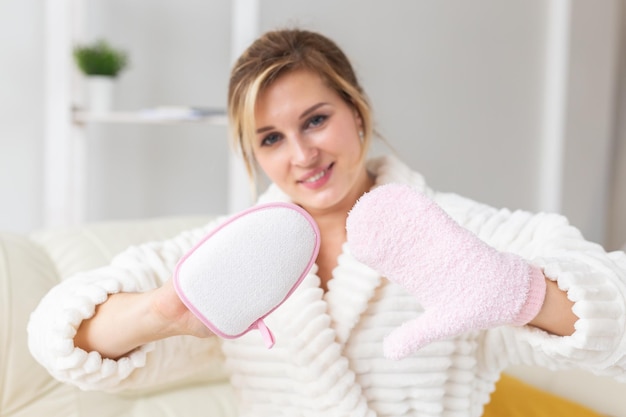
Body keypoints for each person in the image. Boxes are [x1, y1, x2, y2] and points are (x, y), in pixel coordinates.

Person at [28, 28, 626, 417]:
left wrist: (518, 292)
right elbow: (60, 335)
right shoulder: (230, 259)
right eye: (270, 138)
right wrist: (163, 311)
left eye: (315, 120)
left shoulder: (456, 234)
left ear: (357, 111)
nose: (301, 155)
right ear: (252, 156)